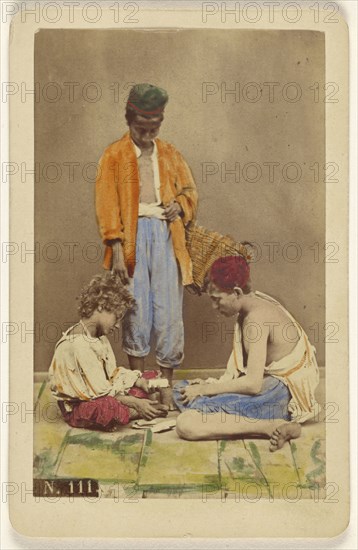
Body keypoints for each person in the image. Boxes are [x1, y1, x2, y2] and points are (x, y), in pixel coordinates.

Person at [96, 83, 198, 388]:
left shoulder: (169, 153)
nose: (148, 134)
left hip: (167, 235)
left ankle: (165, 384)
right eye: (142, 127)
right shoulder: (114, 155)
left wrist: (179, 207)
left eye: (154, 127)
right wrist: (115, 247)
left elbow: (190, 191)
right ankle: (139, 382)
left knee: (169, 307)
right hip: (131, 238)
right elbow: (106, 203)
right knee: (136, 305)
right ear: (129, 120)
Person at [174, 256, 321, 451]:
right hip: (269, 385)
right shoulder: (254, 302)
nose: (214, 307)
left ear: (236, 292)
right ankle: (232, 416)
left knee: (186, 423)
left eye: (217, 299)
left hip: (278, 395)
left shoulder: (256, 320)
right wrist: (201, 389)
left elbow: (252, 384)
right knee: (180, 390)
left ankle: (271, 425)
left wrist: (204, 390)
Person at [48, 273, 168, 431]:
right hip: (81, 405)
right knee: (107, 407)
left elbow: (112, 375)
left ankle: (142, 407)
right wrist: (135, 402)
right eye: (116, 318)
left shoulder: (98, 337)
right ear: (101, 306)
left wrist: (139, 382)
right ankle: (140, 410)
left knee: (148, 377)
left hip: (102, 391)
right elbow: (100, 394)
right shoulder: (78, 345)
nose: (117, 325)